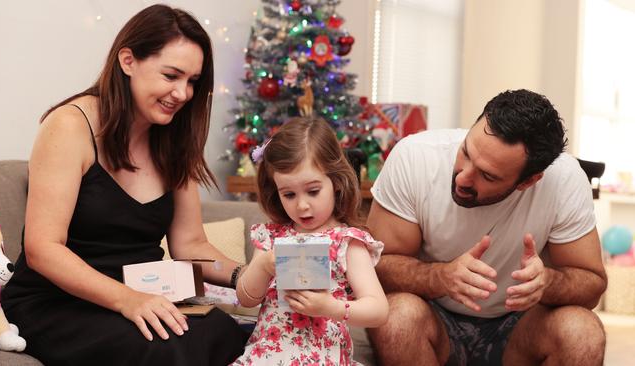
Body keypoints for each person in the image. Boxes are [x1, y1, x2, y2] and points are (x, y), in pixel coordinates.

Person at [1, 5, 248, 365]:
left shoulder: (172, 139)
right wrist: (128, 300)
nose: (182, 93)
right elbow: (43, 248)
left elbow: (191, 245)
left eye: (192, 81)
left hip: (141, 299)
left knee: (224, 332)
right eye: (171, 75)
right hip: (58, 304)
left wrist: (246, 275)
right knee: (161, 349)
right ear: (128, 60)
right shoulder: (70, 126)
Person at [366, 89, 607, 366]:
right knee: (397, 317)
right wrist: (439, 277)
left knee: (583, 332)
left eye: (488, 175)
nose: (463, 177)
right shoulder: (415, 157)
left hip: (521, 328)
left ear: (528, 181)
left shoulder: (564, 180)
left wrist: (547, 283)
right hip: (434, 317)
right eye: (466, 152)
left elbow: (592, 285)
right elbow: (376, 265)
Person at [231, 117, 389, 365]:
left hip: (322, 357)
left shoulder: (347, 242)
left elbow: (379, 310)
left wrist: (331, 308)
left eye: (313, 191)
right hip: (268, 354)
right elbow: (246, 299)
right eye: (289, 194)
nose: (302, 205)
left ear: (336, 183)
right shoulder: (271, 238)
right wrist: (261, 267)